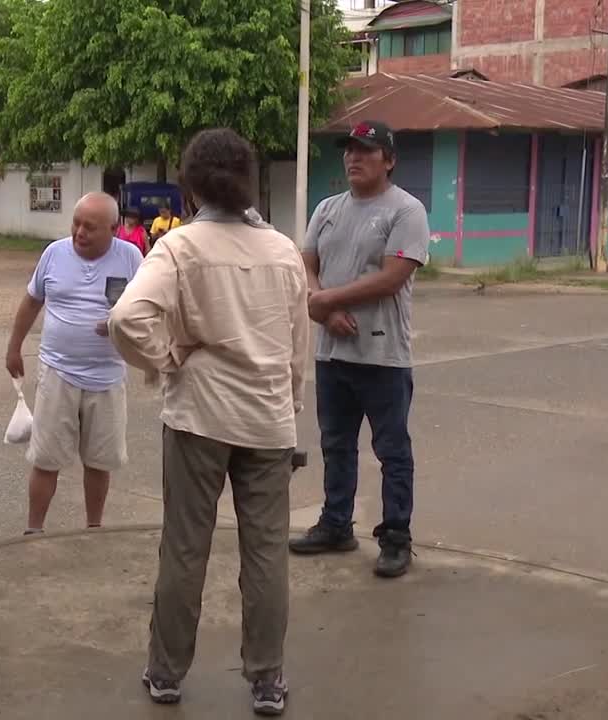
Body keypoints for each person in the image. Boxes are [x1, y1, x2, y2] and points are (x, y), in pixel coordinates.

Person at [108, 128, 310, 717]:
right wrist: (290, 408)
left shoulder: (179, 247)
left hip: (199, 415)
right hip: (268, 419)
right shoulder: (282, 250)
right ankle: (267, 680)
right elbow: (299, 345)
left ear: (190, 184)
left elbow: (126, 319)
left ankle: (166, 674)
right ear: (246, 180)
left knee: (185, 547)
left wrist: (168, 356)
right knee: (267, 552)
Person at [288, 120, 431, 579]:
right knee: (336, 445)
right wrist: (323, 309)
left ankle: (395, 538)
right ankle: (335, 524)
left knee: (392, 450)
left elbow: (393, 276)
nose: (353, 158)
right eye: (349, 150)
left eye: (366, 151)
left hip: (383, 356)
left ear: (388, 160)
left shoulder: (406, 211)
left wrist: (326, 300)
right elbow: (306, 263)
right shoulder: (328, 208)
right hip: (333, 353)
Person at [5, 192, 142, 534]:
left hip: (108, 378)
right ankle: (33, 531)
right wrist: (14, 346)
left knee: (99, 461)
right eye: (76, 223)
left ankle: (93, 529)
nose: (80, 232)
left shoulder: (131, 258)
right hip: (58, 373)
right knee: (45, 459)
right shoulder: (55, 253)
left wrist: (120, 324)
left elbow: (148, 307)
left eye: (90, 227)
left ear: (113, 229)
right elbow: (32, 301)